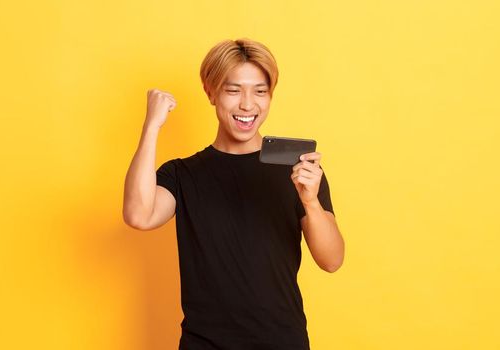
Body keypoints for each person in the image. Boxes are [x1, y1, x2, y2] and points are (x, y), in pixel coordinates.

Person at [123, 38, 345, 349]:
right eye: (233, 90)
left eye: (260, 91)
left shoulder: (297, 169)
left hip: (282, 341)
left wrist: (309, 199)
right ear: (210, 91)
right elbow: (138, 215)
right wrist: (152, 126)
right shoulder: (182, 174)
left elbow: (332, 260)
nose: (247, 104)